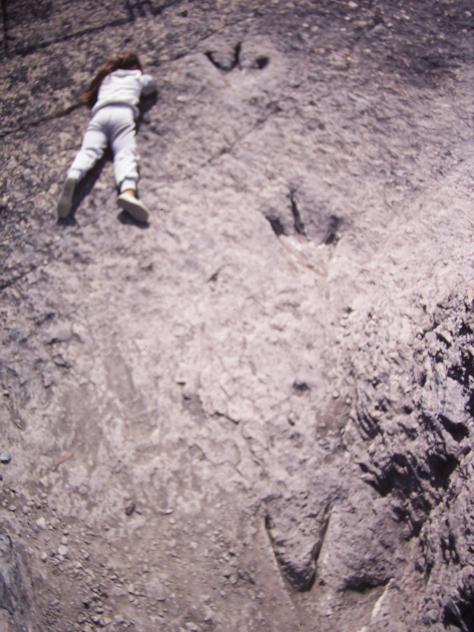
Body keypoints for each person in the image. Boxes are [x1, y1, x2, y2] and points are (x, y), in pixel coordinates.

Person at [57, 52, 156, 223]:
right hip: (123, 114)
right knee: (124, 154)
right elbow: (151, 85)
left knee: (88, 151)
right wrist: (142, 76)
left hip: (100, 116)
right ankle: (128, 192)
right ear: (135, 67)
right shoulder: (137, 76)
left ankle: (73, 175)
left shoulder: (105, 79)